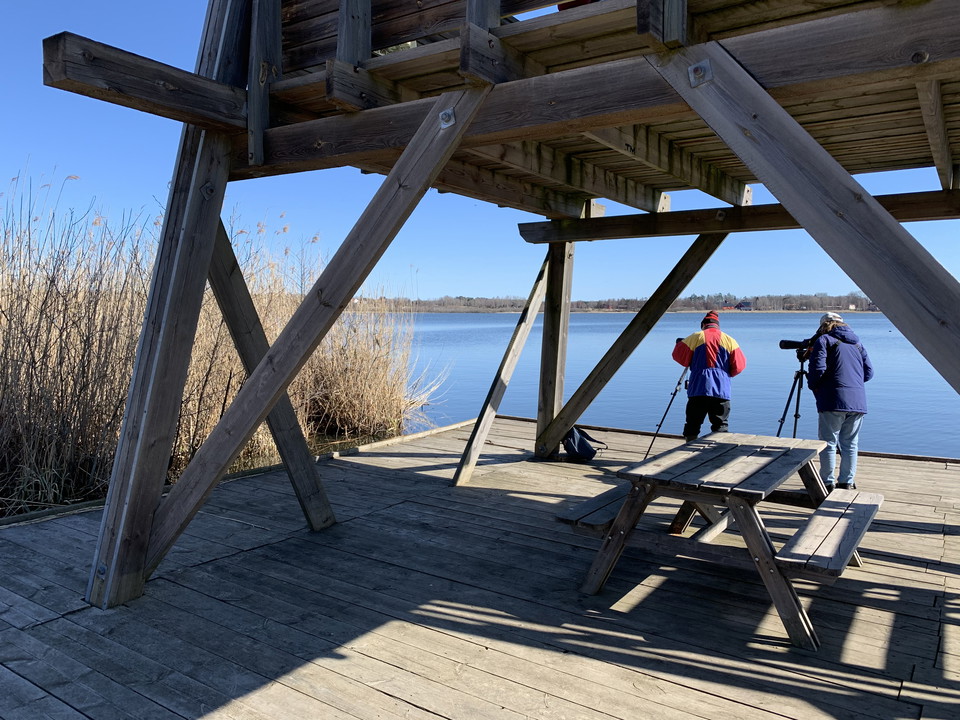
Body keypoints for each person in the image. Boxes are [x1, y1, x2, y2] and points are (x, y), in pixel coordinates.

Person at [806, 312, 873, 490]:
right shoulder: (858, 344)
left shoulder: (824, 340)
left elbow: (817, 369)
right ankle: (846, 482)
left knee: (828, 442)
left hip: (832, 400)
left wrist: (814, 385)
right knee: (850, 443)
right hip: (858, 401)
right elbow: (869, 373)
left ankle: (827, 484)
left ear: (822, 326)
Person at [672, 311, 747, 442]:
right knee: (720, 426)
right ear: (718, 325)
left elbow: (678, 356)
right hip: (721, 389)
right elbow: (739, 366)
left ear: (703, 325)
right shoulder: (730, 340)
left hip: (698, 388)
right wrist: (725, 375)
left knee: (693, 424)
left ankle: (688, 451)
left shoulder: (696, 337)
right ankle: (718, 454)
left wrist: (680, 344)